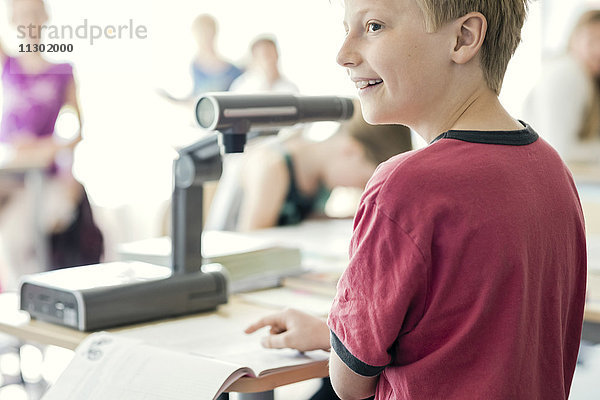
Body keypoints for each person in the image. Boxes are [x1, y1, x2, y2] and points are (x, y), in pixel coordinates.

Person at [246, 1, 587, 399]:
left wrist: (345, 335)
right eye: (346, 29)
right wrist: (332, 335)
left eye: (373, 26)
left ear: (463, 38)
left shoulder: (404, 186)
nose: (343, 55)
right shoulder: (550, 169)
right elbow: (474, 340)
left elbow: (349, 383)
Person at [0, 0, 103, 290]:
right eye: (20, 16)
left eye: (33, 14)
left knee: (20, 239)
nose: (28, 22)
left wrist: (50, 150)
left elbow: (75, 131)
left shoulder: (62, 71)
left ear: (45, 17)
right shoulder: (8, 64)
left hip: (43, 179)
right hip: (8, 176)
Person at [205, 101, 413, 232]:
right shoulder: (274, 166)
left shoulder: (324, 178)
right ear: (351, 151)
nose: (360, 190)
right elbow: (252, 238)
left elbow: (297, 220)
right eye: (362, 182)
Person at [522, 8, 600, 163]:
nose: (598, 50)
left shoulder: (585, 78)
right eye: (592, 39)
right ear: (574, 38)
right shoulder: (568, 73)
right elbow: (559, 148)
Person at [229, 35, 299, 93]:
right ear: (254, 59)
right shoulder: (242, 87)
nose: (269, 60)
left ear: (277, 55)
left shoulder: (290, 88)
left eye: (271, 54)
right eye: (264, 56)